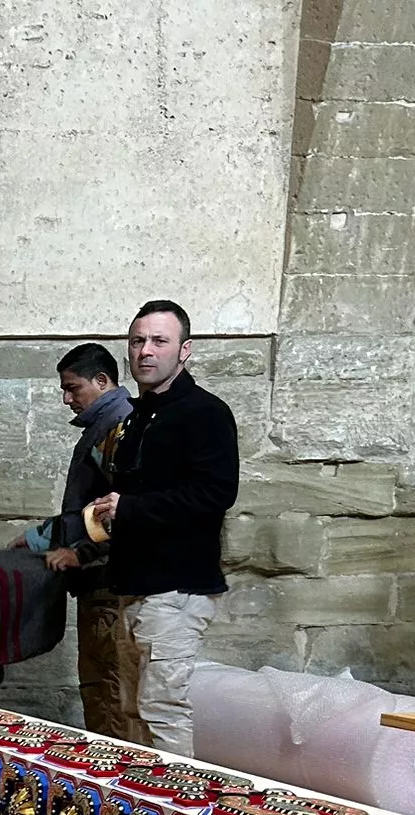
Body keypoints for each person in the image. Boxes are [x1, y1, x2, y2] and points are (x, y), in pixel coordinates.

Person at [81, 300, 238, 757]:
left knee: (162, 709)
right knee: (132, 711)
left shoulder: (205, 412)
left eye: (159, 341)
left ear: (184, 350)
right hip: (135, 585)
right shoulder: (136, 418)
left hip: (177, 588)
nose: (145, 351)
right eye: (137, 341)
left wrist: (129, 508)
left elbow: (215, 493)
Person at [17, 343, 136, 741]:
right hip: (97, 583)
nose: (67, 399)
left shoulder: (120, 428)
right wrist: (38, 539)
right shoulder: (102, 428)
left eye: (73, 388)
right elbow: (86, 511)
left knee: (114, 693)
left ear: (102, 381)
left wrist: (80, 553)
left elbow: (126, 515)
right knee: (100, 690)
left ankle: (121, 790)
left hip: (111, 584)